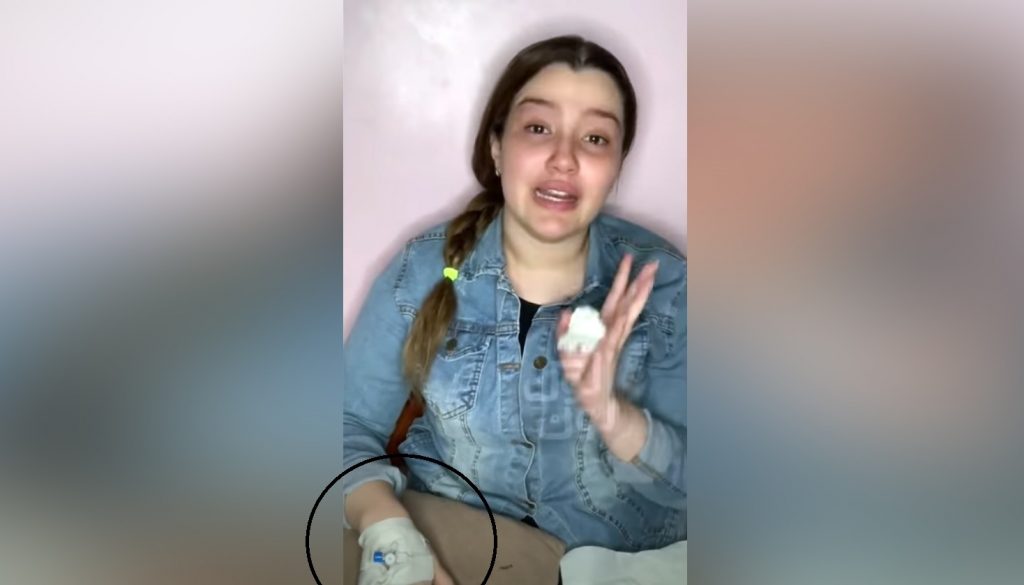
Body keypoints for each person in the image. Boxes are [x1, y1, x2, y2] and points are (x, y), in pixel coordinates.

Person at [343, 35, 686, 585]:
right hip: (457, 528)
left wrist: (614, 416)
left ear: (617, 166)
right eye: (539, 128)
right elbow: (347, 424)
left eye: (595, 138)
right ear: (497, 147)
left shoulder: (665, 283)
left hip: (617, 555)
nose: (565, 159)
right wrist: (389, 532)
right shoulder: (422, 270)